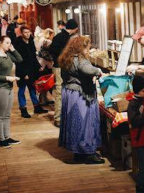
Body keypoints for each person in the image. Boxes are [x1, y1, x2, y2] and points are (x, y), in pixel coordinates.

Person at [58, 36, 104, 164]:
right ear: (81, 47)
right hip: (80, 95)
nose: (88, 50)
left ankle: (78, 153)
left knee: (75, 123)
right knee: (86, 123)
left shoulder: (67, 58)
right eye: (87, 48)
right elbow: (87, 69)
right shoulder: (80, 59)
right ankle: (88, 153)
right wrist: (98, 71)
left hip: (69, 93)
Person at [0, 36, 23, 148]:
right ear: (0, 43)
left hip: (9, 88)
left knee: (7, 115)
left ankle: (7, 137)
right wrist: (7, 78)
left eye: (10, 43)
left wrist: (13, 49)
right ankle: (1, 139)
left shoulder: (8, 55)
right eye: (7, 43)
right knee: (1, 116)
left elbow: (19, 59)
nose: (9, 45)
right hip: (0, 89)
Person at [49, 18, 79, 127]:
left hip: (60, 66)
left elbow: (51, 50)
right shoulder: (65, 38)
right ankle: (58, 118)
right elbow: (53, 50)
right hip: (59, 67)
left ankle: (62, 117)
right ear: (75, 29)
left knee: (61, 92)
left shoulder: (59, 36)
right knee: (60, 92)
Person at [13, 24, 47, 118]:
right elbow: (18, 60)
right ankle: (23, 109)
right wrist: (24, 73)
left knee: (32, 88)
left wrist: (38, 66)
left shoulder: (31, 41)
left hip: (31, 69)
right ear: (21, 33)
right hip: (22, 70)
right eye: (25, 32)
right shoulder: (18, 42)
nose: (27, 34)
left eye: (28, 32)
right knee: (22, 90)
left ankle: (36, 107)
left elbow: (33, 56)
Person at [36, 28, 55, 107]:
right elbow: (47, 55)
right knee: (46, 83)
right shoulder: (48, 42)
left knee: (44, 83)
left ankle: (44, 99)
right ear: (50, 34)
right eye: (52, 35)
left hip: (41, 65)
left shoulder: (42, 40)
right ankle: (43, 100)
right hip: (46, 65)